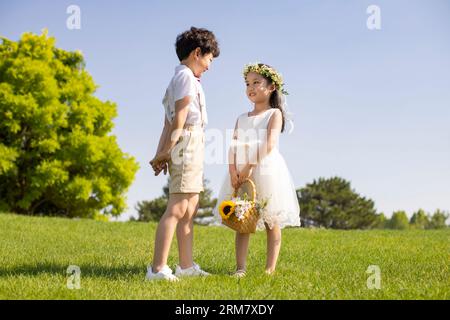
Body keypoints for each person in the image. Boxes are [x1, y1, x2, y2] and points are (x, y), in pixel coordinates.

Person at [146, 27, 220, 281]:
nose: (209, 67)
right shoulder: (186, 78)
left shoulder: (180, 79)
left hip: (190, 141)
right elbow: (177, 121)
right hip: (187, 141)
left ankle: (186, 267)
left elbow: (167, 124)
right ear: (197, 53)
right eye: (209, 59)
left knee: (189, 208)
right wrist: (166, 152)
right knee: (177, 208)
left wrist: (161, 153)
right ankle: (157, 270)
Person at [216, 63, 300, 277]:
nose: (250, 87)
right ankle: (240, 267)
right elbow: (233, 146)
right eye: (247, 84)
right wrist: (233, 169)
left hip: (266, 169)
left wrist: (250, 165)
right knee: (242, 218)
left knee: (271, 220)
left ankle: (269, 269)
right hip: (241, 171)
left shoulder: (274, 114)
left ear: (271, 87)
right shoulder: (241, 118)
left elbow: (269, 143)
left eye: (256, 83)